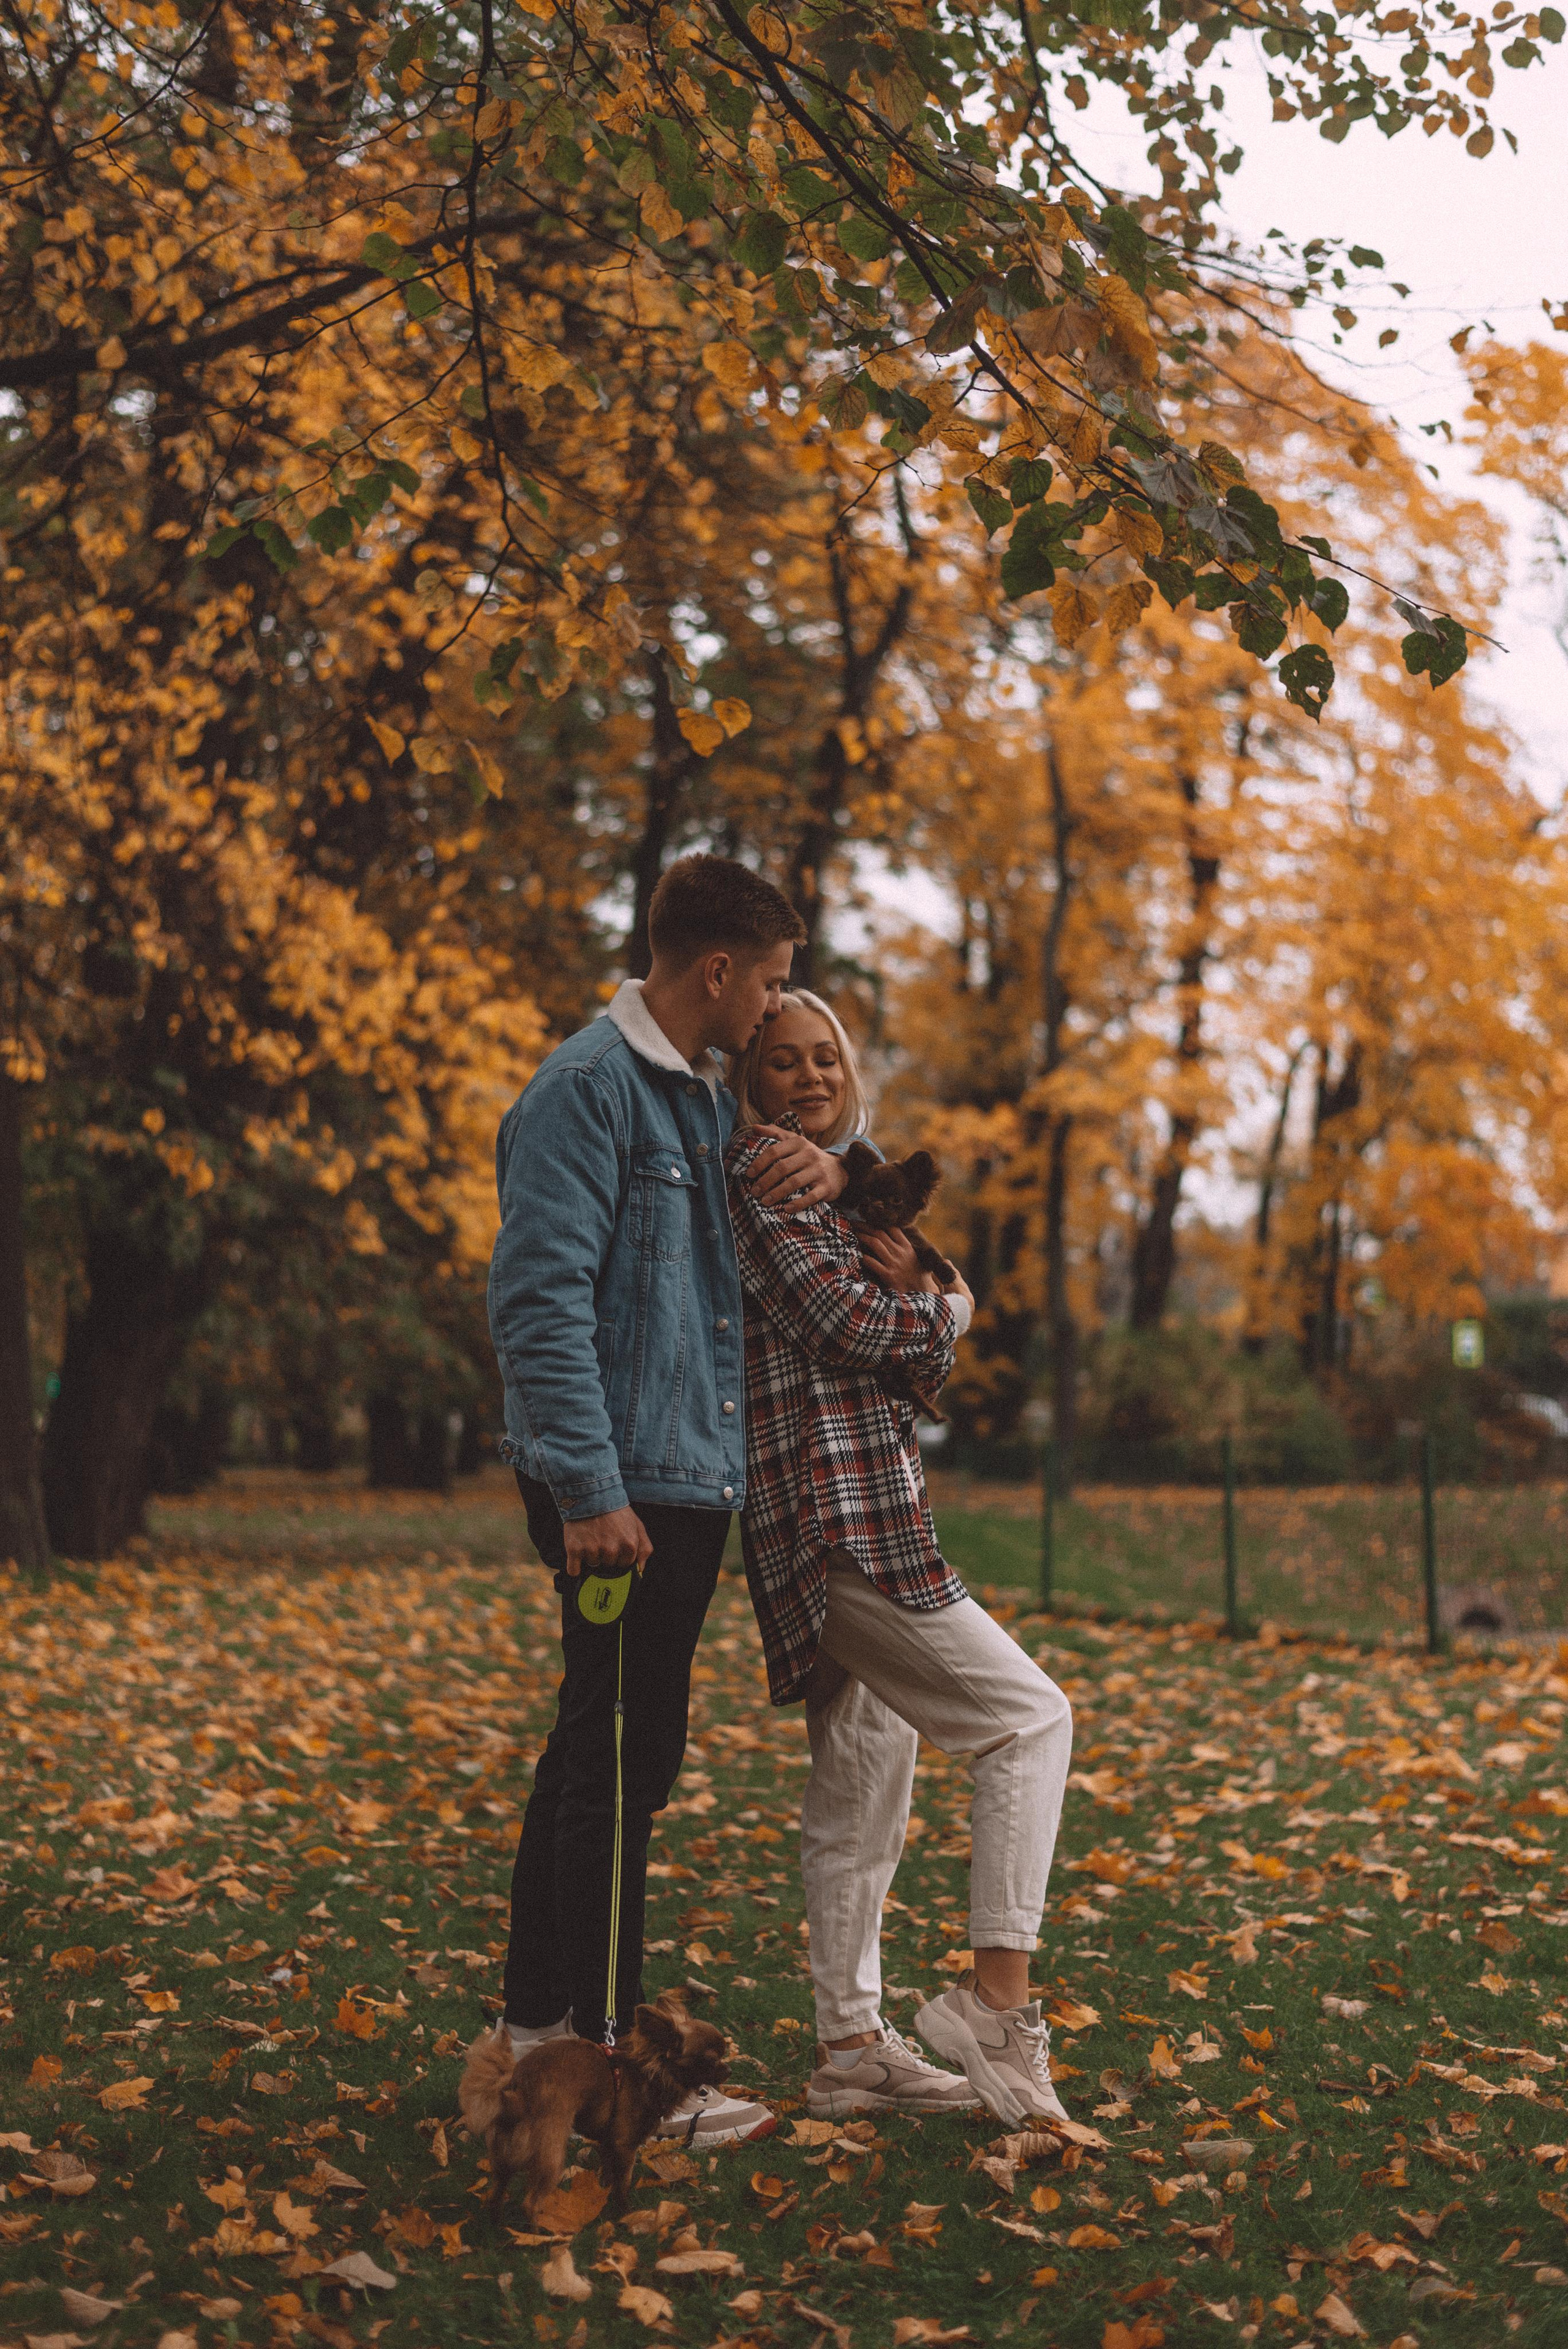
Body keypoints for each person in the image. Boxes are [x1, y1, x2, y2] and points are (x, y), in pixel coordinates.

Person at [486, 857, 849, 2147]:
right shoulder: (588, 1093)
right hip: (620, 1492)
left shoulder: (692, 1103)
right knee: (610, 1763)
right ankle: (587, 2072)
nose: (770, 1010)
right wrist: (586, 1489)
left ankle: (551, 2047)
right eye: (767, 982)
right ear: (715, 972)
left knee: (615, 1762)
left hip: (679, 1483)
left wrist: (836, 1177)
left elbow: (766, 1206)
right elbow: (537, 1303)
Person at [725, 990, 1074, 2127]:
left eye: (827, 1057)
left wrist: (932, 1296)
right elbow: (865, 1330)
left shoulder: (834, 1191)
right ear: (748, 1081)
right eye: (783, 1061)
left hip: (869, 1512)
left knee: (863, 1790)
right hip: (837, 1527)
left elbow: (918, 1345)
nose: (810, 1075)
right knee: (1029, 1719)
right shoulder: (762, 1189)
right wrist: (943, 1308)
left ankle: (847, 2052)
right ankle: (994, 2003)